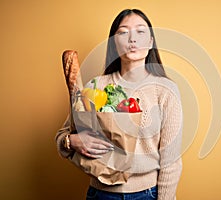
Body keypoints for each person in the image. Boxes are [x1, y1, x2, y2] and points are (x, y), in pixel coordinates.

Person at [55, 9, 183, 200]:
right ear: (114, 43)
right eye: (123, 32)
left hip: (147, 195)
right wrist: (73, 141)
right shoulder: (95, 86)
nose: (132, 39)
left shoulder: (166, 90)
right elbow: (62, 136)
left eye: (140, 32)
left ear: (150, 42)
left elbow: (171, 162)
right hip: (100, 194)